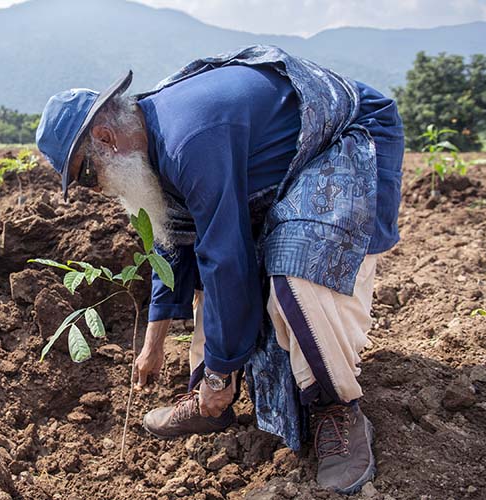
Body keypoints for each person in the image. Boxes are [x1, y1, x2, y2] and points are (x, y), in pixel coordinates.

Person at [35, 45, 404, 495]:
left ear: (107, 138)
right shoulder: (149, 140)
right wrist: (152, 345)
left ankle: (337, 408)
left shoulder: (188, 140)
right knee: (211, 256)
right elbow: (174, 244)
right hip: (288, 159)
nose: (95, 188)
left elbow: (225, 258)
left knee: (296, 269)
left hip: (349, 136)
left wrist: (220, 373)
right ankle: (212, 401)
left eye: (87, 174)